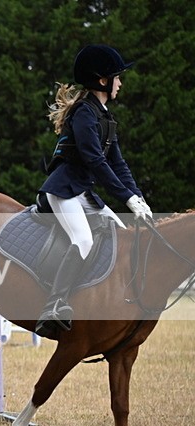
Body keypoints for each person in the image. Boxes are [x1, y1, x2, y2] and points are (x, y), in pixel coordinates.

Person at [35, 44, 153, 337]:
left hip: (83, 193)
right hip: (63, 191)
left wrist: (138, 198)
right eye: (117, 77)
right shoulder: (84, 114)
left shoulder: (105, 117)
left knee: (120, 235)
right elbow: (94, 161)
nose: (120, 83)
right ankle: (54, 305)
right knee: (83, 240)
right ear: (103, 80)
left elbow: (119, 163)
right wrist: (125, 197)